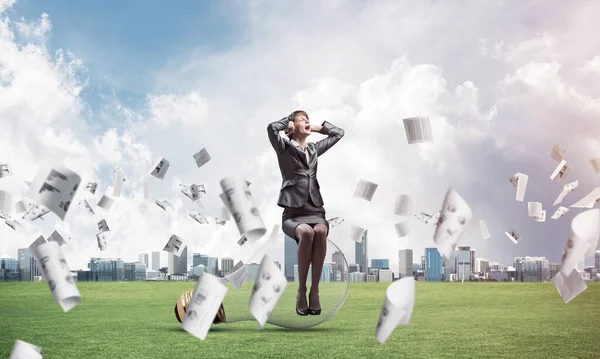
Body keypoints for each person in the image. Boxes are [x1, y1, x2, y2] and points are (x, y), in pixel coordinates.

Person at [267, 110, 344, 316]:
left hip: (315, 210)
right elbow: (271, 128)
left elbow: (339, 133)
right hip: (293, 214)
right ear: (292, 128)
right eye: (303, 119)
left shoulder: (313, 149)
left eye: (307, 119)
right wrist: (288, 123)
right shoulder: (283, 147)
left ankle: (315, 291)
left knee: (319, 230)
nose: (307, 122)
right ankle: (301, 291)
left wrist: (318, 128)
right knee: (307, 233)